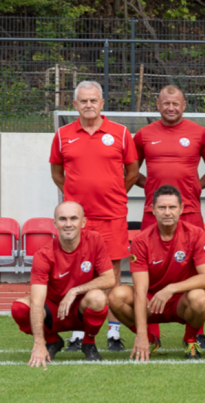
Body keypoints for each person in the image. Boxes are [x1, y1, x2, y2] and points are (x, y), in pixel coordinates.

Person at [49, 80, 139, 351]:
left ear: (102, 103)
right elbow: (57, 173)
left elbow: (133, 172)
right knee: (78, 274)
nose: (89, 105)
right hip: (77, 221)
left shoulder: (121, 133)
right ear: (75, 104)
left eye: (93, 100)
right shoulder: (62, 135)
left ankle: (113, 333)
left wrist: (114, 194)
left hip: (112, 216)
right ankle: (79, 333)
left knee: (112, 274)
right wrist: (74, 203)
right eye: (83, 101)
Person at [133, 84, 205, 350]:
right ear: (157, 105)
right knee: (150, 271)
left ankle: (196, 333)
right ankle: (151, 334)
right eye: (166, 103)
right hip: (153, 213)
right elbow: (131, 170)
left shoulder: (201, 134)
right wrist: (148, 186)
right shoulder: (143, 135)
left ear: (184, 105)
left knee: (196, 269)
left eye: (175, 103)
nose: (171, 108)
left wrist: (197, 186)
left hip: (190, 212)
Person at [108, 185, 205, 361]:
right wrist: (141, 335)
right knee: (116, 296)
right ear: (152, 209)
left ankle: (190, 340)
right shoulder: (141, 240)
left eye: (172, 207)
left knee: (200, 297)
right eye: (162, 207)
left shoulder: (196, 234)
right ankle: (150, 340)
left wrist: (171, 289)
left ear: (181, 209)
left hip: (182, 302)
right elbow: (140, 290)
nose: (167, 212)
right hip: (152, 301)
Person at [12, 202, 116, 366]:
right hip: (53, 311)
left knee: (98, 297)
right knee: (19, 308)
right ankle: (52, 341)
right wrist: (38, 343)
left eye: (73, 218)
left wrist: (74, 291)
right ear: (55, 223)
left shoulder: (94, 240)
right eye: (62, 219)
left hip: (80, 308)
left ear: (83, 222)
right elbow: (37, 301)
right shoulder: (44, 254)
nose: (68, 224)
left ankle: (89, 343)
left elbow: (109, 279)